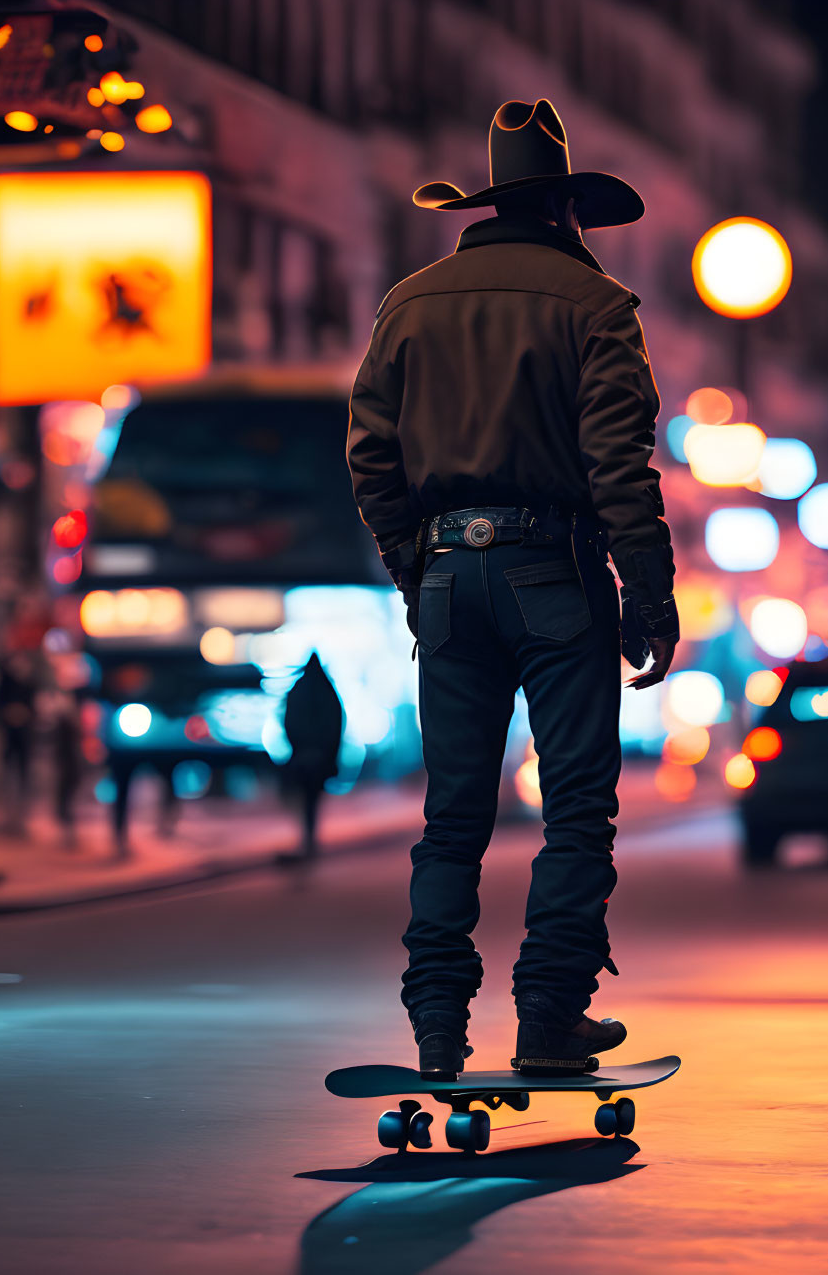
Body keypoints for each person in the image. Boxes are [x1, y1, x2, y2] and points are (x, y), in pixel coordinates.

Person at [348, 99, 680, 1080]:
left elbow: (371, 460)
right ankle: (548, 1016)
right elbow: (622, 468)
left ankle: (437, 1026)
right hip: (557, 572)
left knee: (451, 815)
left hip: (448, 575)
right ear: (565, 210)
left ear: (489, 205)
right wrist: (649, 599)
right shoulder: (598, 308)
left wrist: (418, 569)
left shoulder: (409, 302)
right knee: (575, 808)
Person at [279, 652, 345, 859]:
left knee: (305, 799)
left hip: (303, 756)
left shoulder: (297, 689)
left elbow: (288, 721)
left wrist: (297, 747)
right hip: (320, 757)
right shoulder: (328, 690)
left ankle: (307, 838)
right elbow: (336, 724)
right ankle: (309, 838)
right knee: (312, 800)